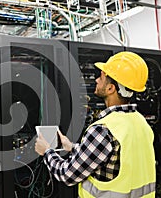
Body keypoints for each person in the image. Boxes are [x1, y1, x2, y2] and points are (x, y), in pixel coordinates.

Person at [35, 51, 156, 197]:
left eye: (101, 76)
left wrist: (47, 151)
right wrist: (72, 147)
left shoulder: (103, 130)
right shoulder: (140, 121)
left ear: (111, 88)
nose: (97, 80)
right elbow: (113, 157)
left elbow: (67, 175)